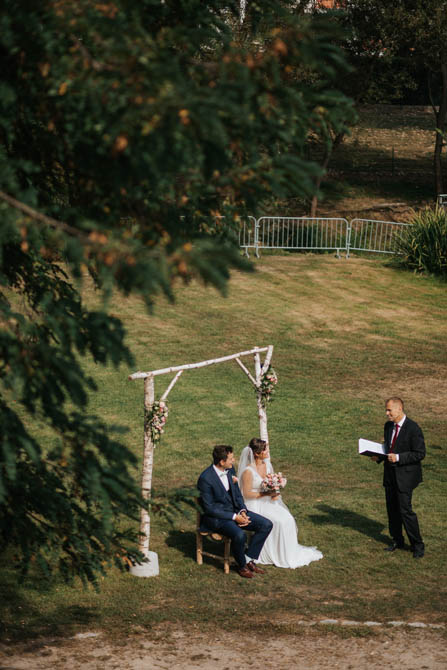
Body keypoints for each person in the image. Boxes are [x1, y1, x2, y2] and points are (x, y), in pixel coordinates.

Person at [237, 438, 323, 569]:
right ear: (256, 453)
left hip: (267, 501)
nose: (267, 451)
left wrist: (275, 489)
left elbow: (271, 483)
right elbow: (246, 494)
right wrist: (265, 494)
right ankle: (267, 553)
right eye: (264, 449)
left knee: (287, 518)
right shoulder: (248, 471)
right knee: (279, 522)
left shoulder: (267, 465)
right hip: (253, 504)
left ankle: (288, 552)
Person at [197, 445, 273, 579]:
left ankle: (248, 558)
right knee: (239, 535)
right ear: (221, 461)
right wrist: (234, 517)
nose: (234, 461)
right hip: (218, 518)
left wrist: (242, 511)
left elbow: (237, 494)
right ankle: (242, 566)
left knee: (266, 524)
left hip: (235, 512)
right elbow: (209, 508)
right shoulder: (205, 478)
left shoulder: (230, 470)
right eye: (231, 458)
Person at [371, 397, 425, 558]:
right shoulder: (388, 426)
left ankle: (417, 545)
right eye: (386, 410)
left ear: (399, 409)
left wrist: (399, 458)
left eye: (389, 410)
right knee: (392, 510)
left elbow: (420, 453)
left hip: (405, 478)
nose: (387, 413)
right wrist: (379, 457)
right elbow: (389, 447)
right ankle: (397, 540)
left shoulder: (413, 428)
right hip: (390, 476)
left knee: (405, 511)